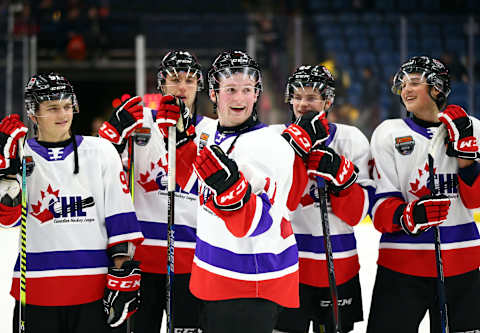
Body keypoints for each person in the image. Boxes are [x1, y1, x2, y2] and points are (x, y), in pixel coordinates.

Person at [155, 50, 313, 333]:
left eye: (246, 90)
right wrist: (180, 140)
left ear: (257, 95)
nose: (239, 98)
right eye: (230, 90)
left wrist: (231, 190)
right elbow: (194, 184)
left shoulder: (270, 146)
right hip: (212, 276)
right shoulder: (210, 133)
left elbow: (257, 223)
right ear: (214, 94)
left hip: (249, 282)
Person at [0, 72, 144, 333]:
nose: (62, 114)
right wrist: (6, 174)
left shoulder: (100, 151)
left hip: (93, 289)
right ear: (33, 113)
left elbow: (120, 219)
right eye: (53, 108)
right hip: (35, 288)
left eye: (67, 106)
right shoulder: (21, 155)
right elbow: (7, 220)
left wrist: (123, 274)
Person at [98, 50, 215, 332]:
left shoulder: (213, 130)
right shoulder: (140, 124)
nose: (182, 87)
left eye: (189, 80)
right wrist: (110, 137)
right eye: (175, 79)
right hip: (141, 262)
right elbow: (99, 172)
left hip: (192, 261)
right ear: (162, 84)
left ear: (199, 85)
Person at [368, 56, 480, 332]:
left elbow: (475, 201)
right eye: (403, 83)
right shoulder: (388, 133)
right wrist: (410, 215)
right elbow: (379, 209)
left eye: (415, 82)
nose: (406, 89)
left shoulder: (474, 127)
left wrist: (466, 156)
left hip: (462, 265)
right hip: (401, 265)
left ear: (437, 88)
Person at [271, 65, 374, 333]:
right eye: (298, 96)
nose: (303, 103)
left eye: (312, 97)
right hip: (285, 266)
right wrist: (295, 154)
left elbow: (358, 214)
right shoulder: (272, 138)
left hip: (339, 267)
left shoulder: (351, 139)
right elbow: (278, 204)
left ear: (327, 101)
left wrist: (343, 181)